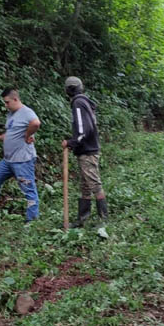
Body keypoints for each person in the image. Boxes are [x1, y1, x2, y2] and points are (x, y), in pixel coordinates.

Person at [0, 88, 41, 222]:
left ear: (15, 99)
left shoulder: (26, 112)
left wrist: (27, 135)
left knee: (28, 189)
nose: (6, 105)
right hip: (8, 160)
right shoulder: (11, 114)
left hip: (23, 161)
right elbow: (10, 135)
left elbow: (36, 123)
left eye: (7, 102)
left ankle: (31, 221)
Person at [62, 76, 108, 227]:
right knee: (85, 185)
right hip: (86, 150)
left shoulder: (78, 103)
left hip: (87, 150)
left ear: (70, 89)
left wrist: (71, 142)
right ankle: (83, 218)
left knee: (94, 184)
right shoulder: (84, 102)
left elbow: (83, 129)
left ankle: (104, 220)